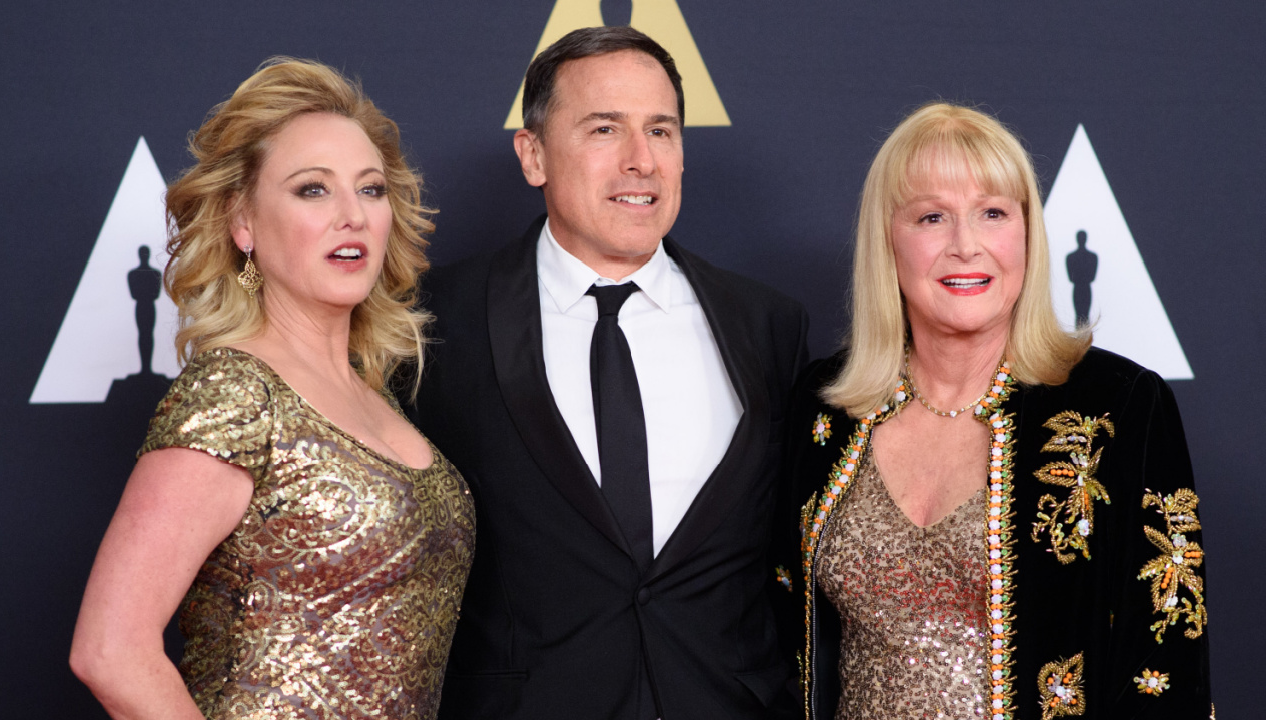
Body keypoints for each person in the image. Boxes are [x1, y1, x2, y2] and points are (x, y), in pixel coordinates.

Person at [404, 26, 808, 720]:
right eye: (603, 129)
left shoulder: (767, 325)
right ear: (533, 155)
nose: (640, 160)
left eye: (662, 131)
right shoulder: (431, 324)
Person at [774, 102, 1213, 719]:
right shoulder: (825, 408)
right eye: (932, 217)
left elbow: (1166, 659)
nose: (965, 245)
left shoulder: (1118, 405)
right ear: (887, 242)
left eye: (993, 213)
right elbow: (775, 633)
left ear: (1028, 234)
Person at [70, 58, 474, 720]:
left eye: (371, 190)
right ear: (243, 223)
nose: (352, 215)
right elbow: (110, 649)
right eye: (313, 190)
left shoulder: (378, 394)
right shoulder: (233, 394)